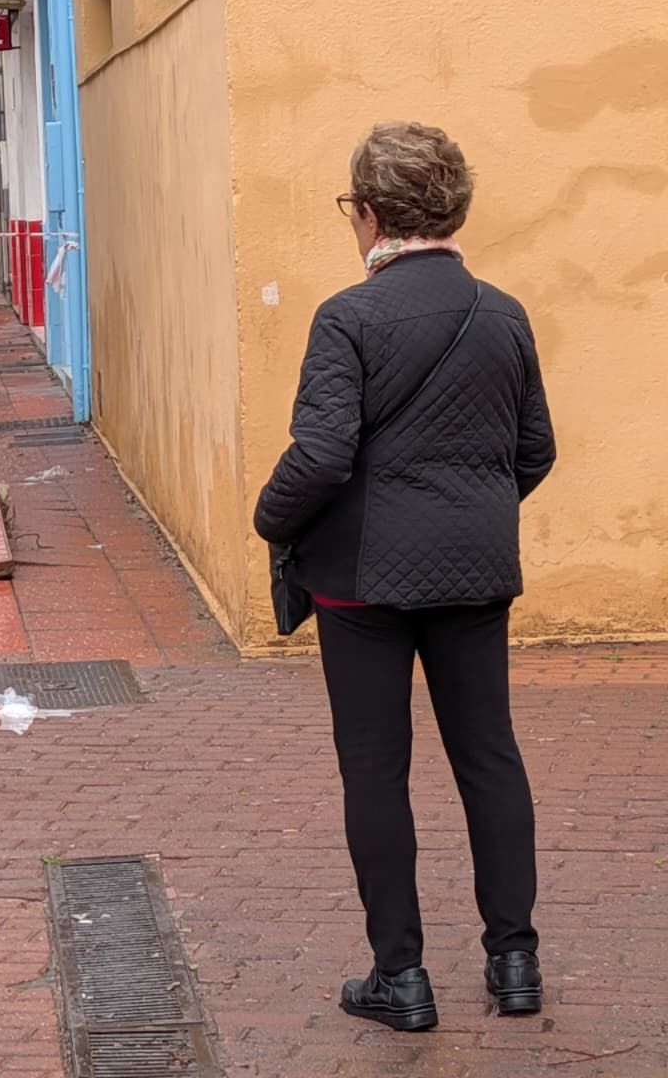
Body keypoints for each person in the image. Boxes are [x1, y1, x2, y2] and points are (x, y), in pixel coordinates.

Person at [254, 122, 555, 1033]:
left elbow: (323, 454)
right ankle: (515, 963)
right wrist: (469, 507)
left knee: (375, 772)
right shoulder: (503, 312)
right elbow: (533, 452)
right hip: (474, 567)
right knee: (490, 757)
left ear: (373, 213)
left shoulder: (347, 317)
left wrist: (270, 517)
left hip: (360, 582)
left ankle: (403, 976)